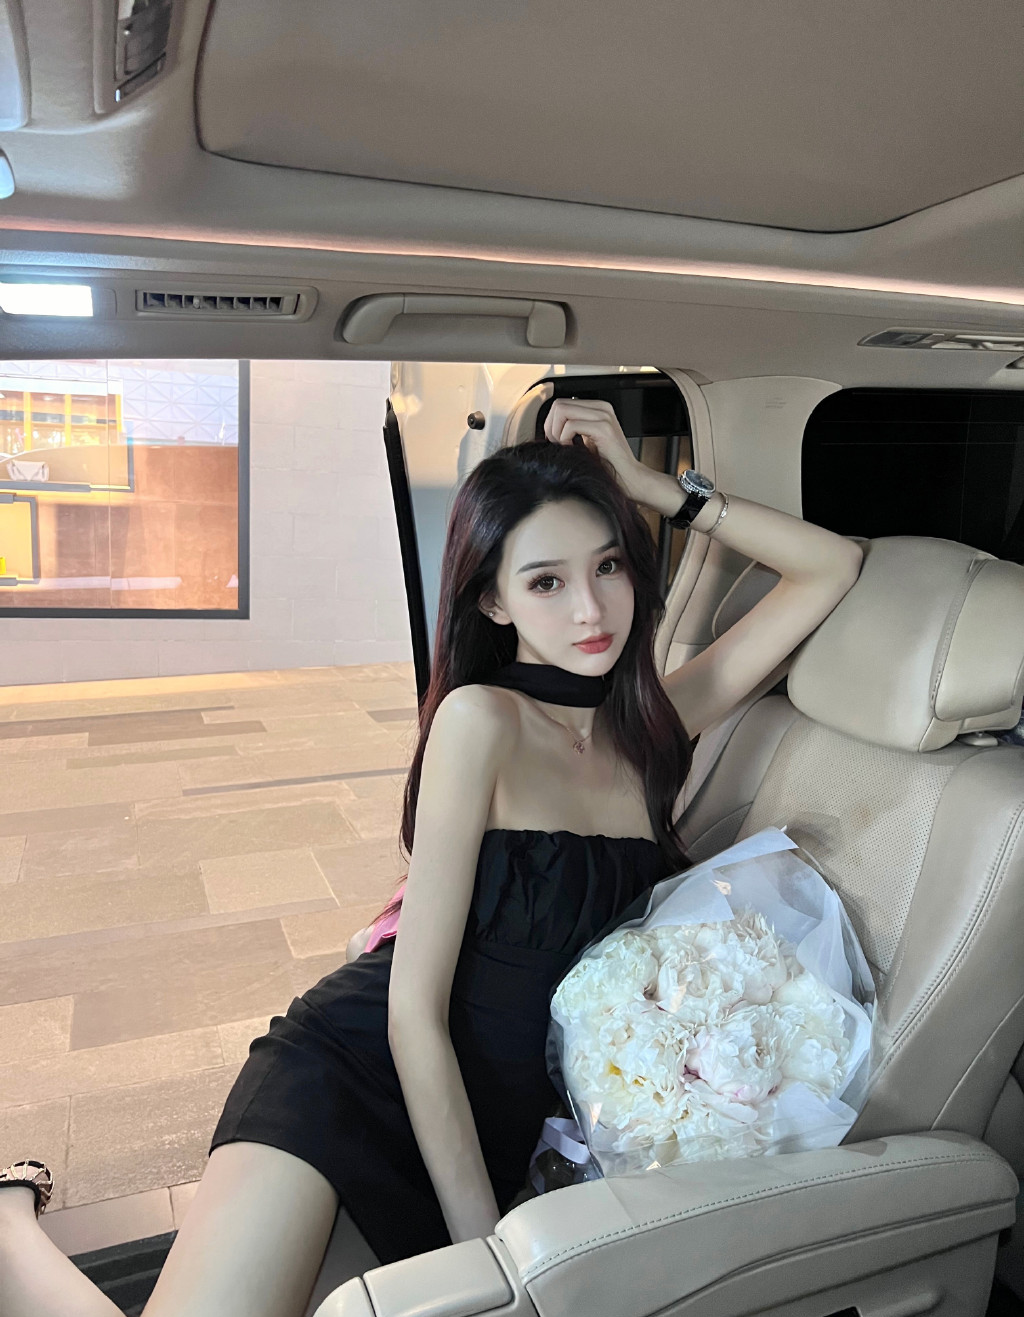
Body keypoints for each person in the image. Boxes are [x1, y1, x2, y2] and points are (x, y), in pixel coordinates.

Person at [0, 398, 863, 1317]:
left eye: (608, 565)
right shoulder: (479, 720)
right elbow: (413, 1012)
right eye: (544, 581)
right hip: (361, 1071)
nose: (589, 608)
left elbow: (832, 567)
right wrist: (487, 1249)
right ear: (492, 599)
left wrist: (652, 487)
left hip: (505, 1119)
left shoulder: (656, 725)